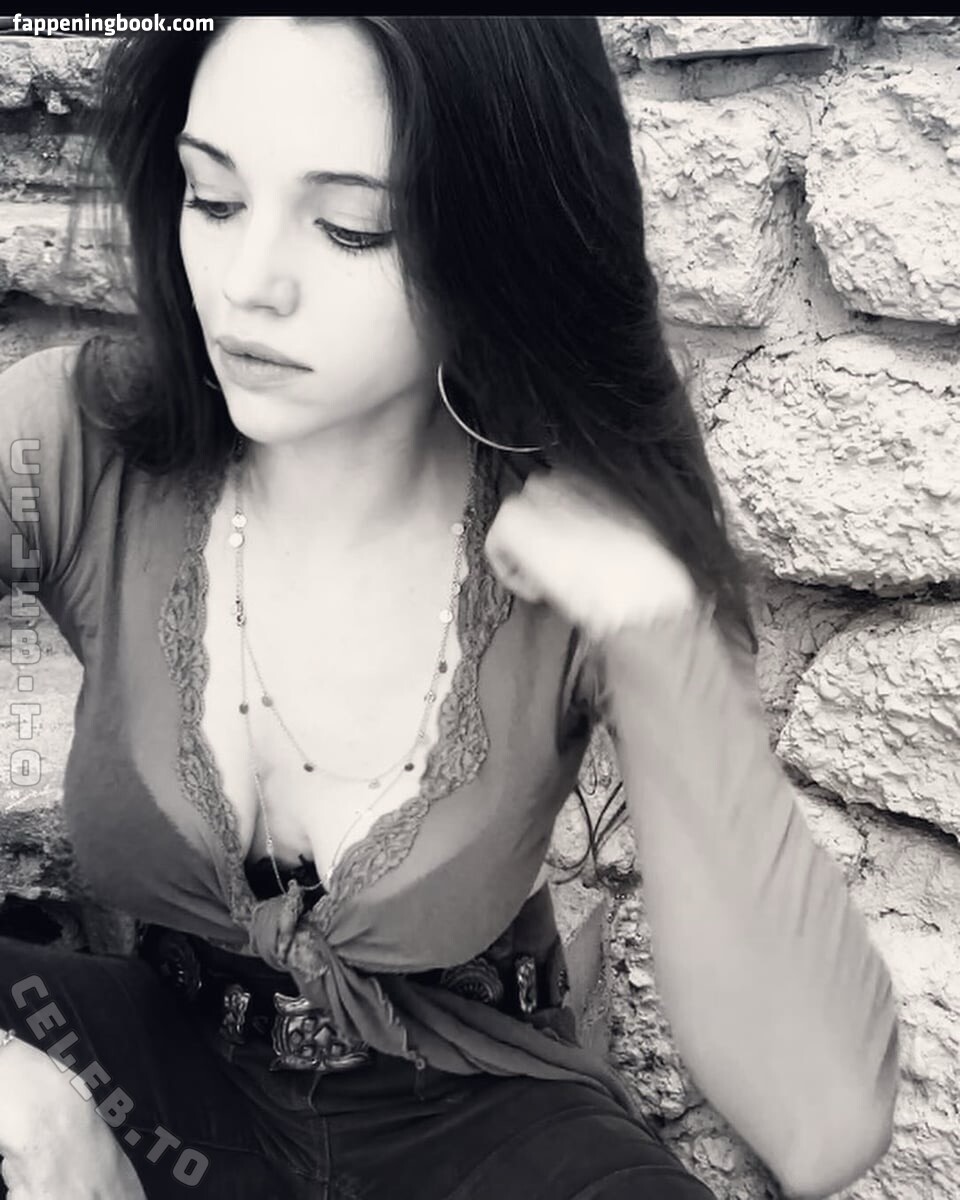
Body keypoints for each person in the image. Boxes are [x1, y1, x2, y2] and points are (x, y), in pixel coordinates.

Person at [0, 16, 900, 1200]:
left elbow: (822, 1125)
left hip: (472, 1121)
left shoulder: (584, 532)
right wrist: (20, 1086)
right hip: (148, 1072)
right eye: (212, 199)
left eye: (351, 226)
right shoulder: (79, 440)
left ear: (500, 235)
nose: (248, 284)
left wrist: (663, 641)